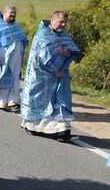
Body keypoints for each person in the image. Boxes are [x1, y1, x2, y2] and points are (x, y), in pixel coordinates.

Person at [20, 11, 80, 142]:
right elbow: (41, 57)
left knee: (61, 100)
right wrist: (54, 68)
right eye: (61, 21)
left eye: (65, 22)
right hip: (42, 76)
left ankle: (63, 130)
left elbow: (72, 49)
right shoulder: (42, 34)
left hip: (60, 75)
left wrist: (67, 52)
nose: (63, 25)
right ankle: (34, 126)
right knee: (40, 101)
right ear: (52, 20)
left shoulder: (63, 34)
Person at [0, 5, 29, 112]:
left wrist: (21, 55)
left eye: (14, 14)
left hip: (16, 57)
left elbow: (23, 40)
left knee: (15, 77)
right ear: (4, 14)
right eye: (11, 13)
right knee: (0, 76)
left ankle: (13, 101)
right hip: (1, 57)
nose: (13, 15)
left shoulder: (17, 26)